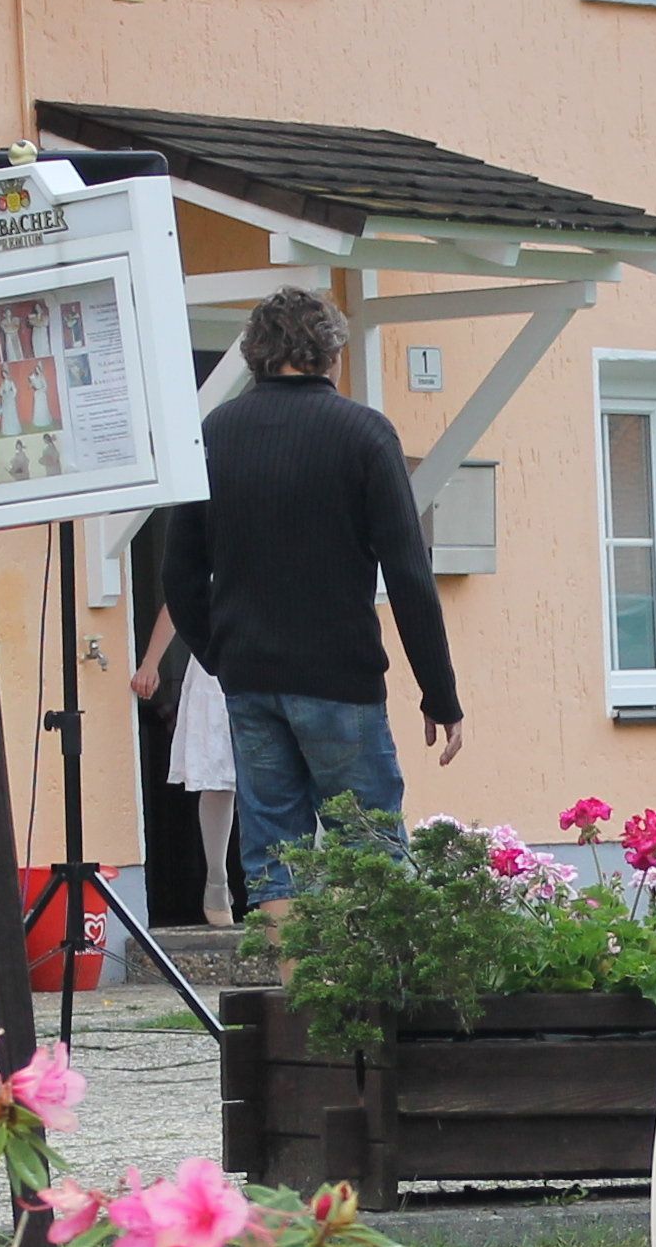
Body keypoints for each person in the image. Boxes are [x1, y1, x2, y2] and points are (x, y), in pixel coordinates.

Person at [160, 290, 460, 908]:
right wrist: (439, 691)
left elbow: (179, 572)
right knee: (371, 851)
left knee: (275, 855)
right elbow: (409, 575)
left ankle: (290, 970)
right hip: (339, 678)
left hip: (251, 679)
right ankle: (370, 974)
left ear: (255, 352)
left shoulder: (214, 433)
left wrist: (221, 657)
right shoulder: (365, 434)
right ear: (332, 352)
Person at [128, 503, 238, 927]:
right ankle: (217, 880)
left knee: (281, 778)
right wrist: (150, 663)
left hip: (273, 660)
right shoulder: (212, 537)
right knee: (217, 776)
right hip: (216, 664)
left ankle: (287, 886)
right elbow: (179, 600)